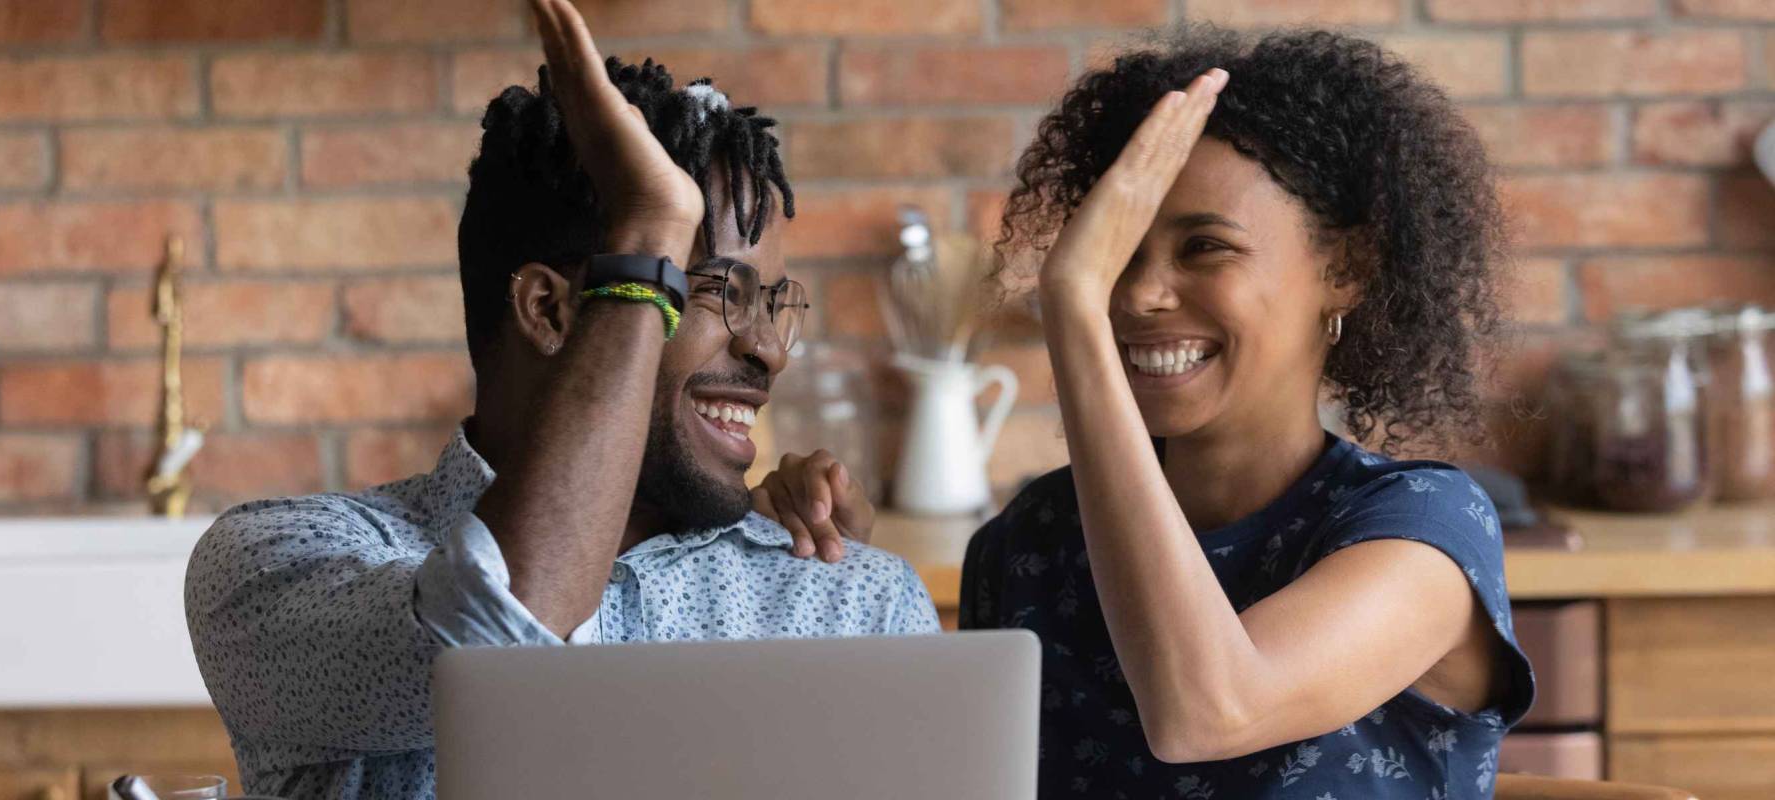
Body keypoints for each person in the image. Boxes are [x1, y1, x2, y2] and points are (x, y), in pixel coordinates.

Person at [185, 2, 936, 797]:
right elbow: (497, 645)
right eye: (722, 292)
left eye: (775, 302)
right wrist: (652, 233)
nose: (770, 349)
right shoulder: (282, 567)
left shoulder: (853, 602)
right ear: (551, 311)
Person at [960, 27, 1535, 798]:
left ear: (1346, 268)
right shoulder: (1031, 541)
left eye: (1204, 247)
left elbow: (1208, 711)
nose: (1137, 295)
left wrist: (1072, 304)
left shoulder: (1426, 532)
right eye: (1117, 255)